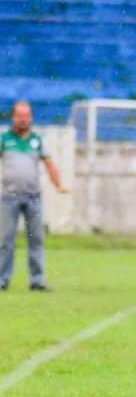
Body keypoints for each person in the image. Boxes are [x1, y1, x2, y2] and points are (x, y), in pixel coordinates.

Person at [1, 100, 68, 291]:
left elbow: (49, 164)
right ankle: (2, 279)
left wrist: (58, 185)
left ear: (31, 118)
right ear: (13, 117)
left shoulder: (36, 140)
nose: (23, 119)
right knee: (6, 240)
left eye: (26, 116)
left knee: (36, 239)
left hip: (33, 198)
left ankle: (37, 280)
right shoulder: (5, 139)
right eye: (20, 116)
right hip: (8, 197)